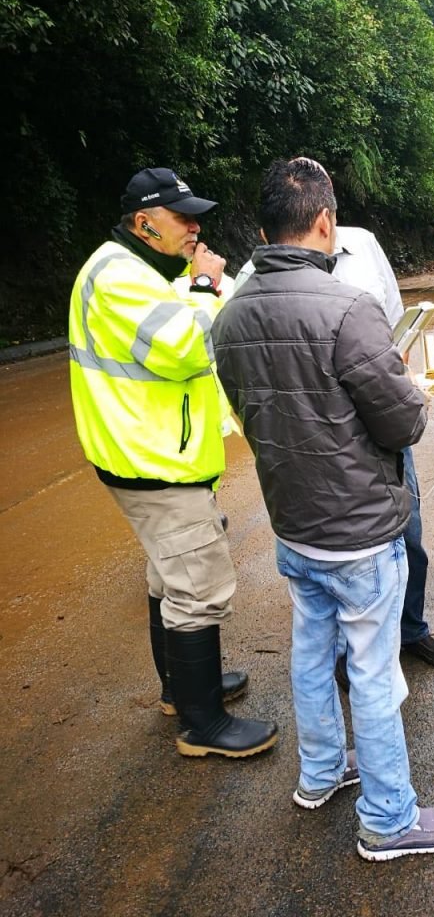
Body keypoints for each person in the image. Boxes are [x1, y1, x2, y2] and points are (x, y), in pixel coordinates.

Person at [213, 158, 434, 860]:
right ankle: (388, 821)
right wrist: (407, 389)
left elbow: (249, 415)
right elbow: (404, 424)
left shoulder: (230, 317)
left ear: (264, 230)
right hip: (358, 531)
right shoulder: (348, 309)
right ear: (325, 222)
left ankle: (321, 773)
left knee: (310, 653)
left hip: (294, 526)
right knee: (376, 675)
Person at [68, 167, 277, 759]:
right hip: (153, 462)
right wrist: (207, 285)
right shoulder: (115, 277)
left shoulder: (132, 271)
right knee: (197, 586)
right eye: (182, 217)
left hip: (153, 455)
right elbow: (184, 347)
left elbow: (169, 326)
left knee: (168, 576)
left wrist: (199, 284)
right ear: (143, 223)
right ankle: (202, 724)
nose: (195, 226)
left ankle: (181, 691)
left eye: (196, 216)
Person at [234, 228, 434, 672]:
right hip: (307, 439)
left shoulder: (365, 246)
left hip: (377, 419)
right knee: (330, 554)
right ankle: (348, 653)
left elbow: (397, 334)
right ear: (320, 218)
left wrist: (400, 389)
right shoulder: (252, 277)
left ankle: (410, 629)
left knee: (408, 535)